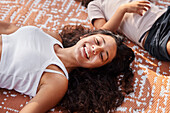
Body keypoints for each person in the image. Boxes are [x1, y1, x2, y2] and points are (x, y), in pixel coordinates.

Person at [0, 21, 134, 113]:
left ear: (95, 68)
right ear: (86, 36)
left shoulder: (57, 81)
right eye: (98, 41)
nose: (95, 49)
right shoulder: (53, 37)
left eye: (102, 56)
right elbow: (8, 28)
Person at [76, 0, 170, 61]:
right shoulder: (95, 4)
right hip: (153, 34)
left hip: (164, 14)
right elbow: (102, 33)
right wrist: (123, 9)